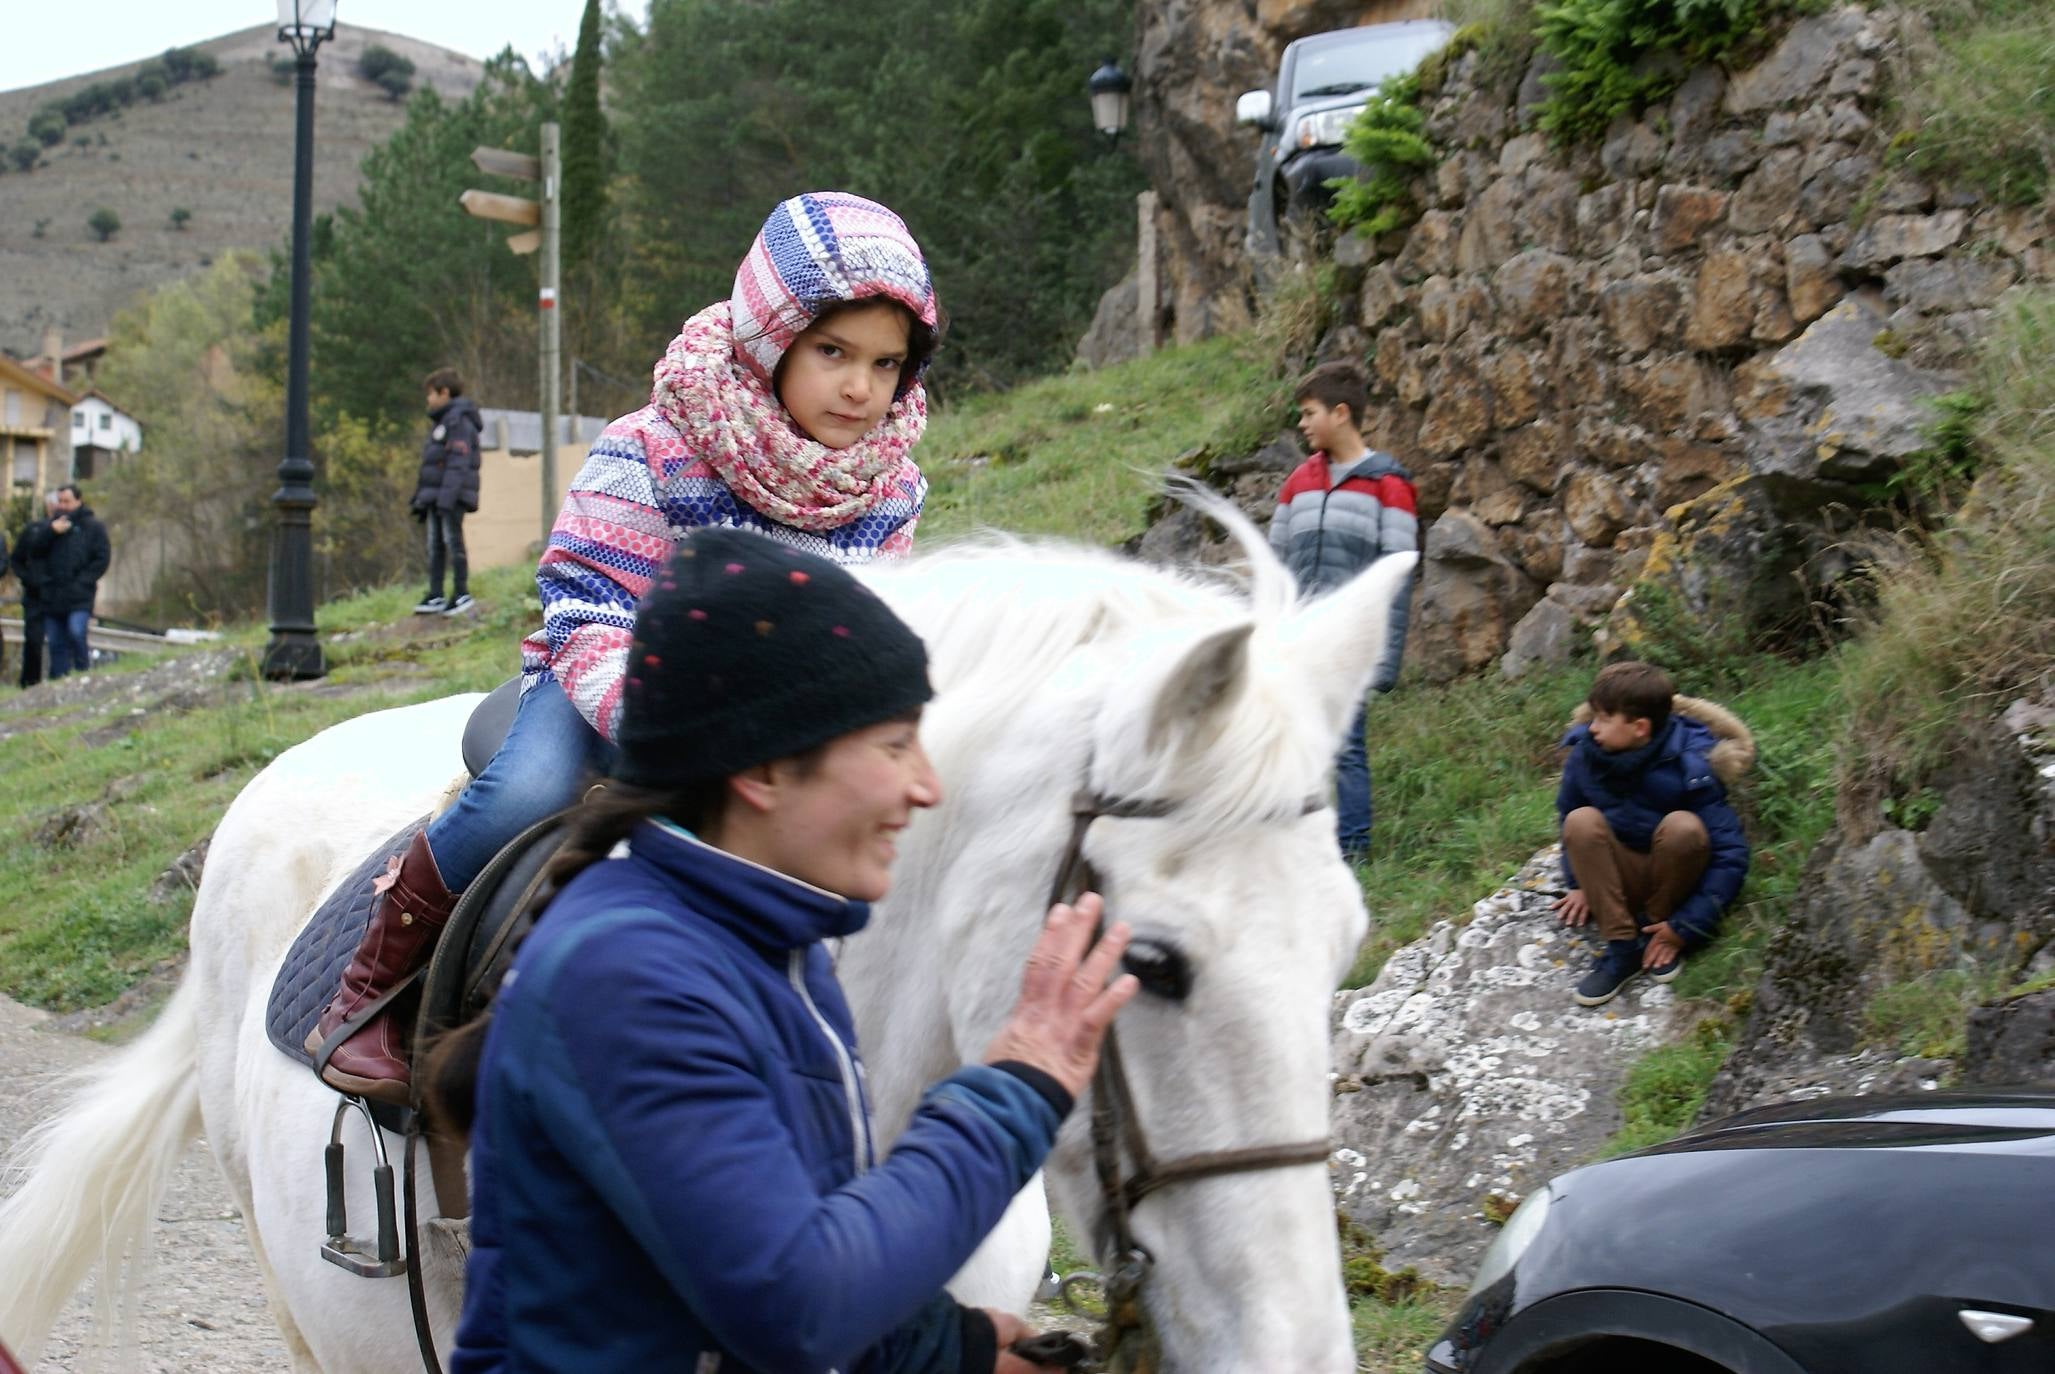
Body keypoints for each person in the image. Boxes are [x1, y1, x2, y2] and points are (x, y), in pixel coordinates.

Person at [434, 527, 1138, 1374]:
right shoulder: (627, 976)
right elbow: (793, 1304)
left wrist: (943, 1351)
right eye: (892, 744)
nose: (926, 785)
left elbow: (744, 1253)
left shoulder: (774, 954)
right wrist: (1016, 1091)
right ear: (763, 769)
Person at [309, 191, 939, 1104]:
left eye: (885, 364)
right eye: (832, 352)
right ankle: (375, 982)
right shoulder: (654, 446)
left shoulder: (887, 488)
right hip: (613, 680)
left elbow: (867, 629)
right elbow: (590, 603)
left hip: (777, 725)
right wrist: (665, 727)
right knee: (524, 791)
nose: (858, 388)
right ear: (773, 340)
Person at [1266, 359, 1418, 863]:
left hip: (1347, 643)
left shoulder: (1388, 486)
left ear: (1341, 413)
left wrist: (1384, 657)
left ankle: (1352, 850)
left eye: (1309, 414)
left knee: (1346, 745)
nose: (1303, 424)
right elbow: (1276, 563)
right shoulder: (1297, 483)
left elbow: (1397, 574)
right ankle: (1292, 842)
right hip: (1296, 639)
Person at [1553, 661, 1754, 1007]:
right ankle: (1623, 949)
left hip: (1675, 883)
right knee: (1579, 820)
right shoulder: (1584, 756)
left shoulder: (1691, 762)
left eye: (1603, 719)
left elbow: (1730, 854)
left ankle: (1657, 930)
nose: (1592, 728)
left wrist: (1685, 926)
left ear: (1640, 727)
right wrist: (1578, 883)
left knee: (1684, 827)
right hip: (1619, 876)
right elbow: (1566, 817)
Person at [17, 485, 111, 681]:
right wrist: (50, 532)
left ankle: (83, 675)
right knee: (56, 643)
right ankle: (60, 682)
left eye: (67, 501)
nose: (63, 506)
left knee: (76, 633)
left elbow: (101, 558)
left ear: (78, 501)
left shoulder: (92, 527)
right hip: (52, 596)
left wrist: (84, 581)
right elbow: (32, 552)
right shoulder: (48, 527)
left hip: (79, 596)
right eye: (60, 501)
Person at [412, 368, 483, 617]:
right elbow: (433, 464)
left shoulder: (458, 422)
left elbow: (458, 462)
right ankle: (436, 594)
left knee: (452, 542)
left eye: (430, 394)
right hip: (436, 498)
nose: (428, 400)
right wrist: (421, 498)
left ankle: (461, 592)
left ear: (444, 392)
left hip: (450, 497)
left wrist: (446, 498)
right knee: (435, 545)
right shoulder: (442, 422)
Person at [9, 491, 58, 690]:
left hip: (60, 593)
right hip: (35, 594)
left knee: (60, 640)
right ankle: (30, 683)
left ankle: (58, 679)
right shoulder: (33, 531)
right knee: (33, 640)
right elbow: (17, 559)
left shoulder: (76, 531)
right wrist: (28, 579)